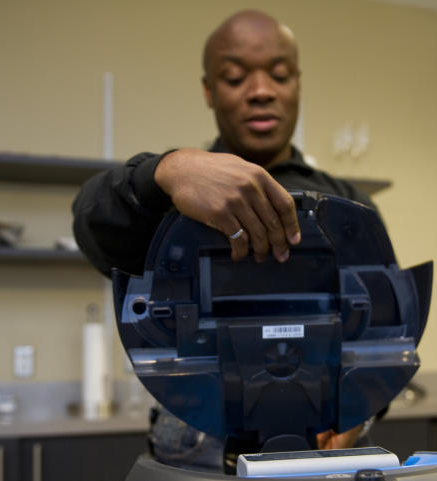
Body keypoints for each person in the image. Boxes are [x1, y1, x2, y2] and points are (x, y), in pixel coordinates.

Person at [72, 10, 378, 458]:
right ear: (208, 90)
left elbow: (383, 324)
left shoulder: (347, 203)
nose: (261, 92)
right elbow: (90, 222)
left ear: (297, 83)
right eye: (235, 78)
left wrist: (363, 406)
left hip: (328, 429)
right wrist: (166, 169)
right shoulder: (169, 193)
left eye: (279, 74)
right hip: (201, 436)